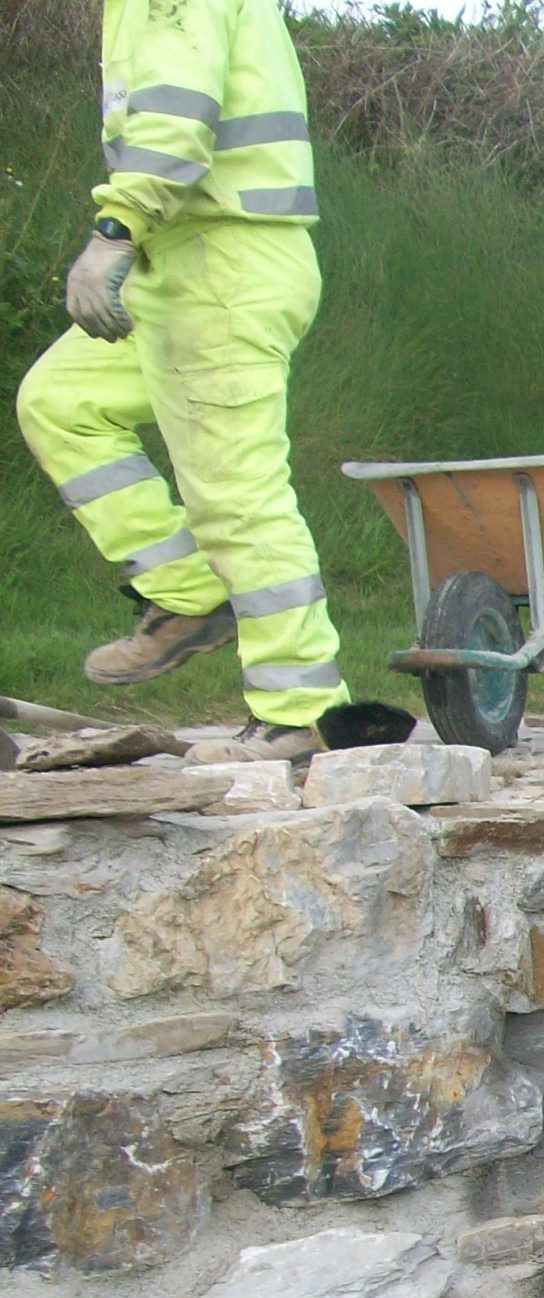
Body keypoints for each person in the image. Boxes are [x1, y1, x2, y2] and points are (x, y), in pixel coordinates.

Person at [13, 0, 350, 761]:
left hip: (223, 261)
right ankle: (189, 595)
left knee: (235, 492)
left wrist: (114, 228)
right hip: (185, 260)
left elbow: (177, 111)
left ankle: (301, 712)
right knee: (62, 401)